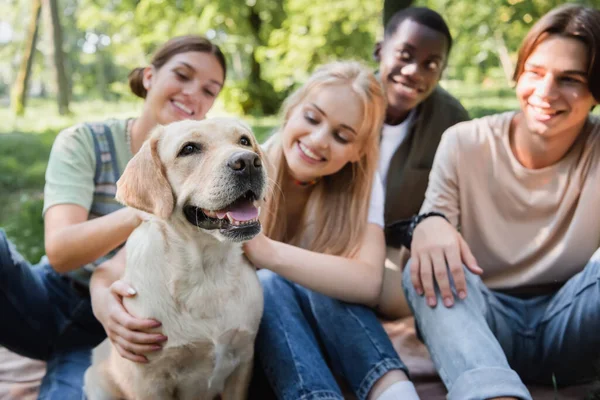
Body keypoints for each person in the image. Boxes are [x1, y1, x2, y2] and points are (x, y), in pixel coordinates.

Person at [93, 61, 421, 400]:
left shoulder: (362, 186)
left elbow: (368, 284)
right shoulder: (253, 159)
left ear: (358, 151)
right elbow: (115, 269)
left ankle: (394, 390)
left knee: (286, 282)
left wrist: (267, 252)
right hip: (277, 341)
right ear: (290, 113)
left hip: (326, 327)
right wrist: (107, 309)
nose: (319, 140)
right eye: (311, 118)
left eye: (341, 136)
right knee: (271, 283)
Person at [0, 35, 226, 399]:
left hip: (121, 329)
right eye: (182, 76)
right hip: (47, 301)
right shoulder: (85, 141)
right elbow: (60, 251)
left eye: (209, 90)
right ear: (150, 77)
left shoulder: (203, 169)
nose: (193, 94)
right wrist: (151, 203)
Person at [401, 4, 600, 400]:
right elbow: (433, 219)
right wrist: (430, 223)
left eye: (570, 79)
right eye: (535, 72)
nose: (545, 92)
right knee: (420, 268)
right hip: (485, 325)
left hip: (575, 324)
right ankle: (493, 395)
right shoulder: (464, 142)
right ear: (518, 73)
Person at [372, 7, 471, 318]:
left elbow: (462, 204)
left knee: (399, 300)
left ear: (440, 74)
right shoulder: (344, 98)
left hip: (397, 244)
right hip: (335, 234)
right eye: (404, 55)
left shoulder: (452, 122)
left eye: (431, 64)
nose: (414, 71)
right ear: (380, 50)